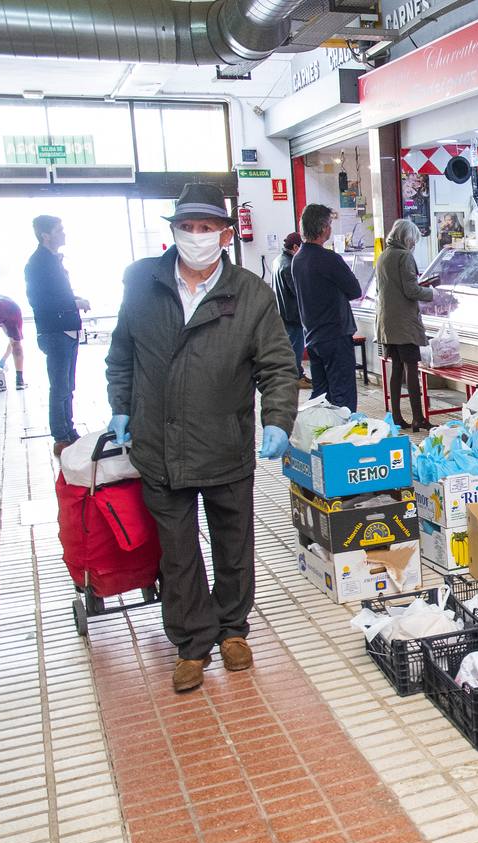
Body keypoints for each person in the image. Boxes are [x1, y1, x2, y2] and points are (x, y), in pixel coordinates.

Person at [104, 183, 298, 693]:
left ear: (225, 234)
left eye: (206, 228)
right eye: (186, 227)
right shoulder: (141, 284)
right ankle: (192, 643)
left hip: (224, 441)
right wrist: (120, 405)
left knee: (234, 544)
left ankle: (233, 629)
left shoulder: (250, 293)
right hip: (158, 445)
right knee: (178, 550)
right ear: (172, 230)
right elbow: (121, 352)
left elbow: (277, 365)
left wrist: (277, 417)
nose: (195, 237)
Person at [24, 215, 90, 455]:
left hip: (68, 329)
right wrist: (73, 302)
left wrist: (74, 300)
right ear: (46, 235)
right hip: (55, 331)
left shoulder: (53, 261)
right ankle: (61, 435)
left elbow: (58, 293)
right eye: (59, 229)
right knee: (59, 385)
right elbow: (39, 300)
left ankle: (69, 430)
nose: (64, 233)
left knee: (68, 384)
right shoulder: (37, 264)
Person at [292, 204, 361, 412]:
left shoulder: (298, 259)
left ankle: (321, 439)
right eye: (330, 224)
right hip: (335, 335)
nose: (330, 228)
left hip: (312, 336)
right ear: (324, 229)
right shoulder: (328, 259)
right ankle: (344, 440)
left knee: (320, 395)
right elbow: (355, 290)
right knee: (343, 397)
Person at [375, 218, 436, 432]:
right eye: (414, 241)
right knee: (411, 367)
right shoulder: (404, 256)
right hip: (403, 323)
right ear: (408, 238)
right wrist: (432, 293)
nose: (414, 245)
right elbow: (411, 291)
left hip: (387, 321)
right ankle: (418, 417)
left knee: (397, 368)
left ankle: (397, 416)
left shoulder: (384, 255)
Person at [273, 231, 312, 389]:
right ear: (295, 247)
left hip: (283, 312)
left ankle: (298, 373)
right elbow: (297, 291)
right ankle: (296, 377)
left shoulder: (278, 260)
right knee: (295, 347)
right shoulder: (290, 265)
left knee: (290, 346)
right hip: (293, 314)